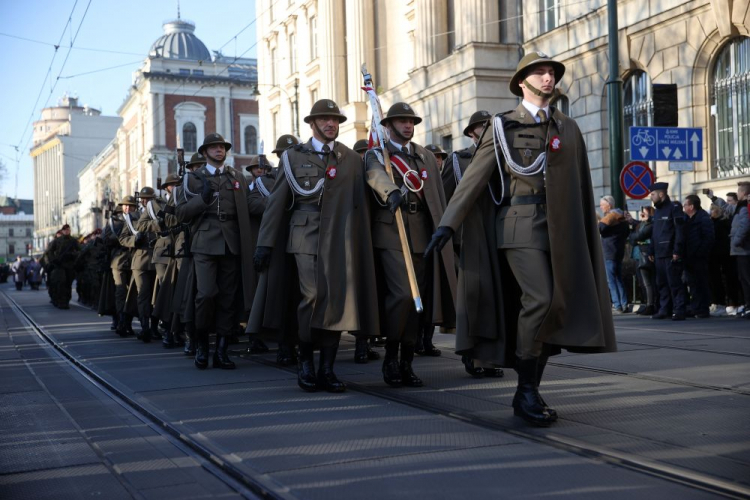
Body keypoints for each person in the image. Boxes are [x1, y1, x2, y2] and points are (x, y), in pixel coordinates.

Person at [425, 52, 616, 426]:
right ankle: (526, 389)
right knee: (541, 299)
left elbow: (580, 187)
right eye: (540, 72)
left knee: (555, 304)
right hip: (518, 225)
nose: (548, 78)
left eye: (552, 73)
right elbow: (472, 181)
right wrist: (447, 225)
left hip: (561, 230)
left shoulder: (568, 128)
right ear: (521, 82)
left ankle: (529, 388)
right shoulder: (503, 126)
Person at [252, 99, 380, 392]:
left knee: (336, 299)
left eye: (334, 120)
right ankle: (306, 361)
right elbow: (276, 204)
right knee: (312, 297)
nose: (330, 124)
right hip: (305, 235)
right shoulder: (294, 157)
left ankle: (327, 369)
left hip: (340, 237)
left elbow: (362, 196)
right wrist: (265, 244)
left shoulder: (349, 158)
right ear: (312, 123)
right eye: (324, 119)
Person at [365, 101, 456, 388]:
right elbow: (375, 175)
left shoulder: (425, 157)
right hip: (392, 233)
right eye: (402, 121)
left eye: (411, 121)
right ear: (388, 125)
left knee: (419, 301)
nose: (408, 125)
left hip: (422, 234)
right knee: (403, 296)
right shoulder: (377, 154)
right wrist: (390, 191)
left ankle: (407, 362)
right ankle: (390, 356)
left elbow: (436, 194)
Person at [175, 133, 255, 370]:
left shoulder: (237, 177)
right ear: (204, 152)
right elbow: (180, 213)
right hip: (205, 241)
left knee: (227, 298)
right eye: (214, 147)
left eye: (222, 147)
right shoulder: (193, 180)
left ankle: (221, 350)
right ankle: (201, 345)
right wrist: (202, 199)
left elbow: (249, 204)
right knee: (206, 294)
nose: (220, 150)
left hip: (231, 241)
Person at [119, 187, 159, 342]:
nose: (146, 201)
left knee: (156, 294)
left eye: (149, 198)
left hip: (157, 258)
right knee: (143, 294)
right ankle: (145, 327)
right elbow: (123, 238)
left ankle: (155, 327)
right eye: (144, 198)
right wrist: (134, 240)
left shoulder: (157, 212)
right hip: (140, 260)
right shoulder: (133, 216)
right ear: (141, 200)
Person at [646, 182, 687, 321]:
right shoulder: (657, 210)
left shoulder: (674, 208)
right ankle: (665, 309)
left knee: (674, 283)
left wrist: (677, 250)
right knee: (661, 284)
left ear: (661, 194)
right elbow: (654, 233)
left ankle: (679, 309)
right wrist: (651, 250)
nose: (651, 197)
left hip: (670, 253)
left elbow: (680, 231)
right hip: (659, 254)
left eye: (652, 194)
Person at [682, 194, 715, 318]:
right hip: (689, 256)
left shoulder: (703, 218)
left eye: (685, 205)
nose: (683, 207)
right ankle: (695, 307)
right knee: (693, 284)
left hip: (699, 257)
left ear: (691, 206)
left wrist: (700, 252)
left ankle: (702, 309)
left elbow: (708, 237)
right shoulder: (687, 218)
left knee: (701, 283)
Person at [108, 199, 136, 336]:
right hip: (118, 262)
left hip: (134, 261)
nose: (127, 208)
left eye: (130, 206)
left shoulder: (137, 219)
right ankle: (120, 322)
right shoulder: (114, 222)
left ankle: (128, 323)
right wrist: (119, 237)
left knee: (132, 294)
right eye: (125, 206)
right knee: (121, 292)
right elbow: (105, 239)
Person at [599, 196, 630, 314]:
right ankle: (624, 303)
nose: (601, 207)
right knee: (618, 278)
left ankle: (617, 305)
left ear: (609, 205)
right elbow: (627, 232)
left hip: (609, 252)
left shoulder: (610, 217)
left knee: (611, 279)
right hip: (619, 251)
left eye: (602, 205)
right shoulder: (622, 217)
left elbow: (600, 228)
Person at [708, 203, 740, 316]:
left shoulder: (723, 223)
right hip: (718, 256)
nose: (710, 212)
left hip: (722, 255)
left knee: (727, 280)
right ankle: (721, 303)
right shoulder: (714, 222)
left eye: (712, 210)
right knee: (719, 280)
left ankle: (728, 303)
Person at [43, 224, 80, 309]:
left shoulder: (73, 241)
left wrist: (72, 255)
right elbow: (50, 252)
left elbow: (80, 251)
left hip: (70, 265)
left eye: (68, 230)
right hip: (59, 266)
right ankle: (61, 301)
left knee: (68, 284)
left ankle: (66, 300)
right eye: (65, 230)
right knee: (61, 283)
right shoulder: (57, 241)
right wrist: (54, 260)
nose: (67, 231)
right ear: (62, 231)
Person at [629, 206, 657, 315]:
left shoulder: (650, 225)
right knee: (642, 282)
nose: (642, 215)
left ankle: (651, 304)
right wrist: (637, 238)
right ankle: (647, 303)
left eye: (644, 213)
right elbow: (632, 239)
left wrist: (638, 239)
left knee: (649, 282)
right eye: (642, 213)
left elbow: (640, 236)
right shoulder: (640, 225)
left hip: (647, 255)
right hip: (639, 255)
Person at [729, 181, 750, 319]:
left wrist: (736, 241)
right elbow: (726, 208)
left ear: (743, 193)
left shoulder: (744, 208)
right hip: (741, 249)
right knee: (743, 279)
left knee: (747, 279)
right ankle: (747, 305)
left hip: (744, 249)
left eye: (738, 192)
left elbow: (745, 225)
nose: (737, 194)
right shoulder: (740, 207)